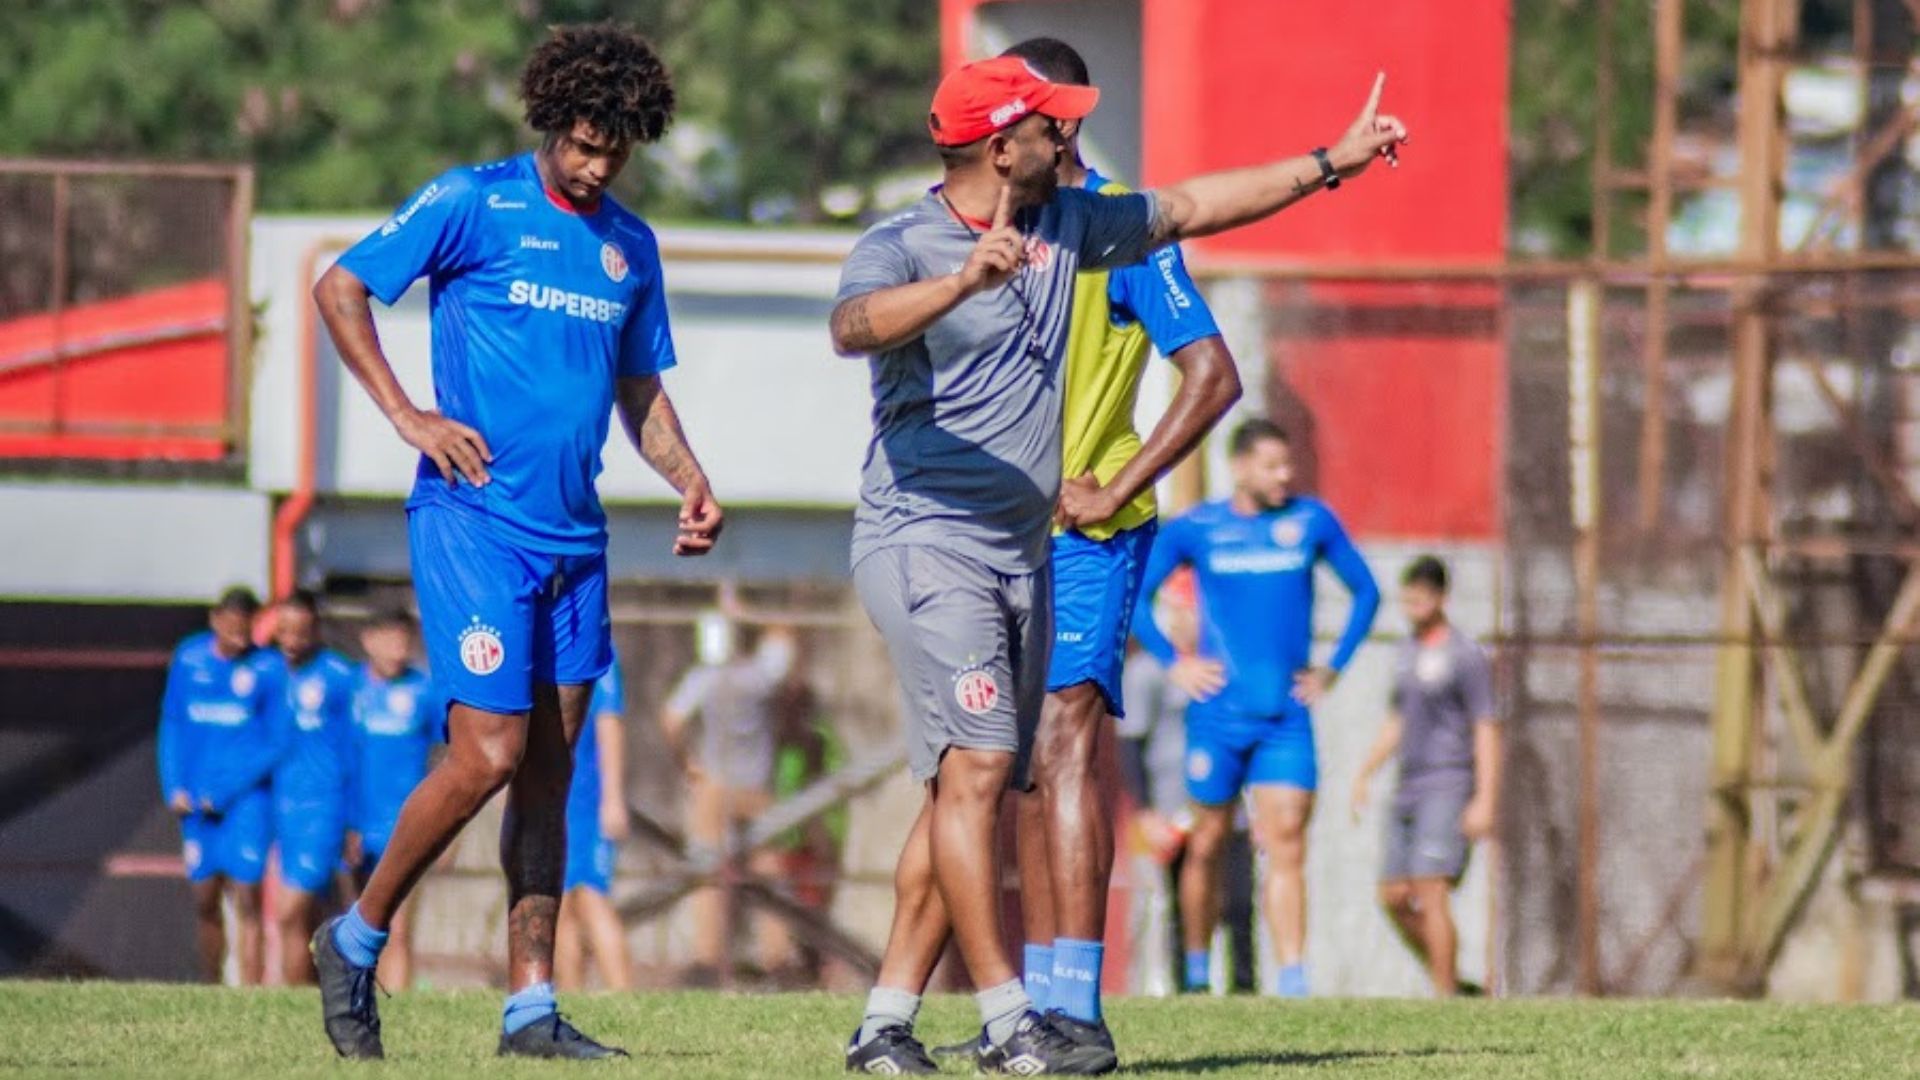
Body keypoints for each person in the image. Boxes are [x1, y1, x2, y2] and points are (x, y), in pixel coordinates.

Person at [831, 52, 1406, 1074]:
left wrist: (1331, 162)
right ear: (1002, 147)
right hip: (926, 541)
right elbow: (852, 327)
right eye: (1054, 127)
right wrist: (962, 278)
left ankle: (883, 1023)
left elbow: (1189, 207)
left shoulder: (1070, 225)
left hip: (1019, 552)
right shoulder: (901, 241)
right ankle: (1017, 1023)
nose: (1073, 141)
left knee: (967, 783)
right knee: (979, 770)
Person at [308, 21, 722, 1062]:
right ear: (550, 119)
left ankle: (530, 1009)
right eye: (581, 143)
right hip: (473, 524)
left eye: (612, 152)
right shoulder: (471, 200)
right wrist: (409, 416)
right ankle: (355, 939)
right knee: (489, 750)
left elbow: (638, 390)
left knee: (550, 772)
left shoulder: (631, 243)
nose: (593, 166)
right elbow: (339, 285)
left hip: (575, 542)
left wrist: (688, 477)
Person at [992, 37, 1242, 1054]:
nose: (995, 139)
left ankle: (1078, 1012)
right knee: (1006, 766)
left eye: (1012, 120)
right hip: (994, 541)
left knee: (1064, 746)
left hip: (1091, 540)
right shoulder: (991, 226)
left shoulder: (1119, 227)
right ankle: (1039, 999)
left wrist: (1116, 490)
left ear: (1058, 124)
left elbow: (1215, 376)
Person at [1134, 419, 1381, 999]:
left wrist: (1332, 667)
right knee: (1209, 841)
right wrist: (1176, 662)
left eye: (1287, 464)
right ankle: (1196, 974)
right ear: (1240, 466)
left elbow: (1366, 592)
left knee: (1288, 838)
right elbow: (1139, 598)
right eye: (1272, 465)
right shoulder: (1199, 529)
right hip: (1217, 717)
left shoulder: (1310, 522)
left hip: (1284, 720)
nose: (1284, 475)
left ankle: (1293, 980)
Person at [1351, 556, 1501, 996]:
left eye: (1420, 598)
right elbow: (1398, 720)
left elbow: (1486, 727)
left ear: (1440, 598)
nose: (1412, 607)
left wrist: (1485, 798)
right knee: (1393, 895)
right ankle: (1455, 983)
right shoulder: (1405, 652)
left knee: (1431, 888)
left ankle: (1443, 997)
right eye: (1407, 599)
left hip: (1449, 783)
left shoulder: (1466, 656)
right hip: (1408, 785)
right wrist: (1365, 771)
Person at [660, 621, 799, 983]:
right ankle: (775, 959)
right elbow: (785, 639)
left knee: (712, 873)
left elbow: (670, 719)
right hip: (755, 788)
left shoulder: (704, 677)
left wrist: (688, 764)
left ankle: (711, 958)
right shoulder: (761, 677)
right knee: (768, 876)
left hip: (718, 787)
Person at [157, 586, 277, 985]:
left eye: (247, 627)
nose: (240, 635)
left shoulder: (268, 668)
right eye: (233, 626)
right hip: (196, 804)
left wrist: (226, 790)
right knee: (205, 898)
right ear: (216, 621)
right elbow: (172, 724)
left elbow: (275, 743)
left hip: (245, 803)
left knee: (247, 897)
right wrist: (174, 784)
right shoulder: (189, 659)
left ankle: (251, 992)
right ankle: (212, 988)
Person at [263, 590, 359, 986]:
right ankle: (304, 997)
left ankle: (295, 998)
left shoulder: (339, 676)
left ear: (316, 631)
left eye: (300, 631)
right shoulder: (266, 672)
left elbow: (356, 749)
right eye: (284, 630)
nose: (292, 639)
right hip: (279, 807)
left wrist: (353, 817)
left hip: (323, 808)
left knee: (289, 911)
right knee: (311, 914)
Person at [346, 608, 439, 990]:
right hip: (356, 823)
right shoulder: (349, 689)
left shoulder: (425, 690)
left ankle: (397, 1010)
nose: (397, 647)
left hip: (407, 824)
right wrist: (345, 822)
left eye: (404, 638)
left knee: (397, 928)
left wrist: (442, 823)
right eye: (389, 637)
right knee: (356, 923)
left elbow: (450, 756)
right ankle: (357, 1002)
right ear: (368, 640)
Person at [553, 651, 634, 991]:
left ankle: (624, 995)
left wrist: (613, 798)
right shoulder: (534, 651)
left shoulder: (597, 655)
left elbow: (609, 724)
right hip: (551, 802)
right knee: (558, 906)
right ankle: (570, 999)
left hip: (588, 802)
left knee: (591, 897)